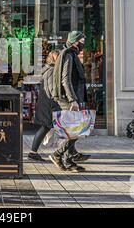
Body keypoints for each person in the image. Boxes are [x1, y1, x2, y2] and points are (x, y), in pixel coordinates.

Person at [49, 31, 90, 173]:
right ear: (74, 42)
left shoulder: (72, 54)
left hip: (71, 97)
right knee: (76, 129)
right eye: (81, 41)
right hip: (67, 98)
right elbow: (65, 79)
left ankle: (69, 161)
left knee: (74, 129)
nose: (83, 43)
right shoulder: (68, 55)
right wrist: (72, 100)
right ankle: (58, 154)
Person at [28, 50, 60, 161]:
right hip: (49, 104)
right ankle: (33, 152)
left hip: (45, 103)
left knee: (47, 127)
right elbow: (52, 90)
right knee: (48, 127)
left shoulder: (47, 70)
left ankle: (33, 151)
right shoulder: (51, 71)